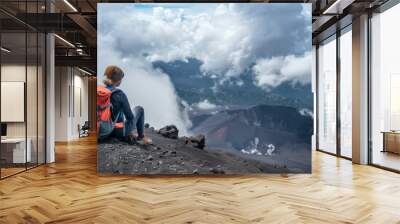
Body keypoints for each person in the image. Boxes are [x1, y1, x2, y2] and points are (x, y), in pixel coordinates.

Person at [102, 65, 151, 144]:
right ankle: (141, 137)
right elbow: (130, 117)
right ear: (118, 80)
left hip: (102, 129)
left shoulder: (100, 92)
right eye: (121, 79)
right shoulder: (119, 94)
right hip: (116, 131)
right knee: (139, 109)